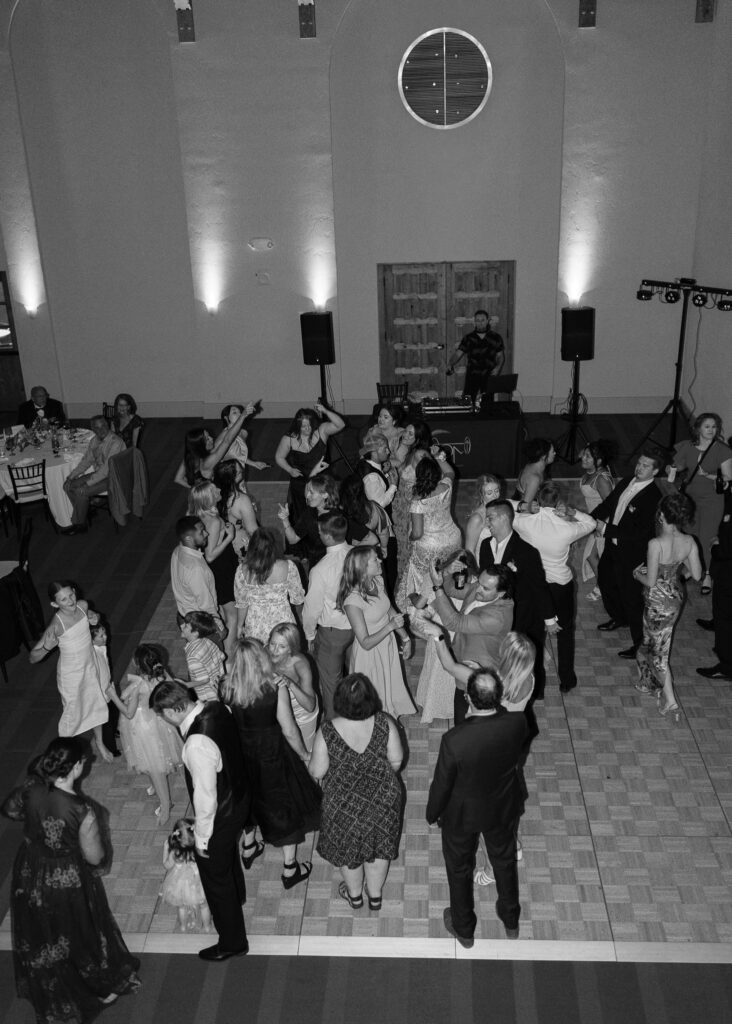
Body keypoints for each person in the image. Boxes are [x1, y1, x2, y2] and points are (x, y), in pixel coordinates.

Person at [2, 738, 141, 1020]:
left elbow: (9, 810)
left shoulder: (31, 786)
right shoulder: (83, 811)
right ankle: (88, 986)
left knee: (41, 928)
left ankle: (49, 980)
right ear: (76, 766)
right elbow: (94, 858)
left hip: (30, 867)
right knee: (76, 930)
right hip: (65, 879)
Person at [149, 678, 250, 961]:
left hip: (221, 812)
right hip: (239, 797)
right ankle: (237, 896)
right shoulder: (217, 709)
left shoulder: (196, 743)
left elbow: (206, 798)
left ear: (170, 712)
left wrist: (202, 838)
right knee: (228, 858)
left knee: (215, 877)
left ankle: (232, 942)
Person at [426, 668, 528, 946]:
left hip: (462, 814)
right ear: (498, 696)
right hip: (502, 805)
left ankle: (464, 928)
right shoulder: (519, 722)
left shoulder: (455, 740)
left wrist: (432, 814)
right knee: (504, 862)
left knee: (459, 868)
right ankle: (510, 919)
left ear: (468, 698)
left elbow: (442, 785)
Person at [220, 638, 320, 889]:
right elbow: (288, 729)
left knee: (248, 798)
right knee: (282, 804)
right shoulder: (274, 688)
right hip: (272, 752)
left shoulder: (227, 687)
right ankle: (289, 869)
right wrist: (304, 754)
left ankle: (249, 846)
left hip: (241, 753)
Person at [309, 673, 404, 911]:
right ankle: (375, 896)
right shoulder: (385, 722)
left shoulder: (327, 731)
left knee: (348, 851)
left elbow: (318, 772)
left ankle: (354, 896)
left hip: (342, 804)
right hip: (382, 801)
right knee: (379, 849)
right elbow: (397, 761)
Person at [513, 482, 596, 693]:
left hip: (534, 586)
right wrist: (571, 511)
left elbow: (505, 506)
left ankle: (538, 686)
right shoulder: (567, 528)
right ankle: (567, 679)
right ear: (558, 501)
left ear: (538, 500)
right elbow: (591, 523)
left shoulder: (525, 522)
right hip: (561, 586)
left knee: (535, 634)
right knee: (566, 632)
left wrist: (525, 507)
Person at [478, 499, 558, 700]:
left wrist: (549, 620)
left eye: (491, 517)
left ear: (505, 518)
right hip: (494, 614)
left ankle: (531, 693)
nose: (487, 522)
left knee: (527, 658)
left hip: (522, 615)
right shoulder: (486, 546)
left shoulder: (527, 552)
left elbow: (539, 587)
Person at [633, 492, 702, 719]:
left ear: (662, 515)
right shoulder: (689, 541)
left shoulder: (656, 544)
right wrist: (674, 575)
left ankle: (670, 699)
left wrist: (636, 574)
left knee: (658, 653)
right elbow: (696, 573)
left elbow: (650, 581)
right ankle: (646, 682)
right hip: (675, 599)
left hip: (656, 604)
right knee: (648, 643)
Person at [29, 580, 113, 763]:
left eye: (71, 595)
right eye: (63, 600)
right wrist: (46, 648)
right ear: (54, 604)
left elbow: (91, 614)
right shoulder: (56, 625)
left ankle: (99, 742)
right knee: (72, 713)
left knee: (96, 701)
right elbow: (33, 657)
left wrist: (94, 617)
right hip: (71, 673)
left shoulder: (82, 605)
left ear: (75, 592)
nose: (70, 601)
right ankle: (65, 754)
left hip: (90, 664)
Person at [592, 450, 664, 659]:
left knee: (632, 599)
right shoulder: (626, 481)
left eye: (646, 465)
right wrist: (588, 520)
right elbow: (608, 505)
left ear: (656, 471)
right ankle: (618, 616)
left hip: (632, 553)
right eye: (639, 463)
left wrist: (605, 529)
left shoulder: (653, 497)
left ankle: (640, 644)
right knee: (606, 582)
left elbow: (639, 533)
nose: (639, 468)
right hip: (612, 546)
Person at [104, 644, 183, 825]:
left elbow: (128, 713)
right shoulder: (161, 675)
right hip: (158, 722)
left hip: (143, 729)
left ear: (137, 664)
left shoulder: (138, 685)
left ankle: (166, 804)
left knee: (153, 764)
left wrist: (113, 695)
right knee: (154, 758)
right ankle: (156, 786)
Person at [428, 560, 515, 722]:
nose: (478, 589)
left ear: (501, 593)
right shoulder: (481, 587)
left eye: (485, 588)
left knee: (470, 722)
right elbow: (452, 590)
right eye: (479, 583)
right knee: (460, 712)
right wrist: (446, 574)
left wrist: (437, 588)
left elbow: (455, 623)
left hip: (481, 674)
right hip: (466, 661)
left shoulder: (497, 617)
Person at [337, 546, 416, 718]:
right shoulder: (353, 601)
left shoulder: (377, 581)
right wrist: (390, 628)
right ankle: (377, 727)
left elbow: (389, 610)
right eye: (375, 559)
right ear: (362, 567)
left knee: (389, 685)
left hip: (386, 645)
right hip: (370, 653)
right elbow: (364, 642)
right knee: (373, 693)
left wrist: (405, 638)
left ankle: (389, 719)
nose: (380, 560)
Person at [409, 548, 479, 724]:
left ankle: (446, 705)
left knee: (448, 667)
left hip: (455, 626)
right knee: (441, 666)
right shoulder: (436, 578)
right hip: (448, 626)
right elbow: (424, 604)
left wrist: (411, 595)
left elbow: (421, 604)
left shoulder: (471, 582)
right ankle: (440, 705)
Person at [301, 510, 354, 720]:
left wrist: (309, 636)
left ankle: (335, 725)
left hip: (333, 633)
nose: (319, 535)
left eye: (320, 532)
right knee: (358, 674)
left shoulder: (320, 569)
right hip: (360, 627)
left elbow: (312, 608)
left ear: (328, 536)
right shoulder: (358, 555)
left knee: (331, 684)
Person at [671, 413, 732, 594]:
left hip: (712, 499)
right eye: (707, 426)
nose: (711, 430)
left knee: (707, 536)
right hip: (690, 498)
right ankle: (692, 567)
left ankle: (707, 574)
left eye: (714, 427)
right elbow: (679, 465)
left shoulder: (722, 450)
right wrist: (672, 468)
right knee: (691, 533)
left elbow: (729, 477)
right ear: (698, 428)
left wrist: (711, 476)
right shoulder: (688, 446)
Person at [396, 454, 459, 612]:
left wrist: (409, 538)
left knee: (423, 578)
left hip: (429, 546)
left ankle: (424, 608)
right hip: (453, 539)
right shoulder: (446, 486)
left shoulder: (418, 501)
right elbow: (450, 471)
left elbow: (417, 533)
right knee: (447, 573)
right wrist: (438, 457)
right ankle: (448, 604)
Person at [187, 481, 239, 655]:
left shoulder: (195, 516)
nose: (218, 489)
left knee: (222, 612)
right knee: (232, 615)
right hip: (221, 568)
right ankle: (228, 655)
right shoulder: (214, 521)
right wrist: (229, 537)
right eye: (214, 490)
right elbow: (210, 555)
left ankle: (219, 649)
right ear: (209, 498)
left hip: (210, 570)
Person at [274, 401, 345, 523]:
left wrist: (326, 411)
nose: (308, 429)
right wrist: (290, 470)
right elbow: (279, 457)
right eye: (303, 426)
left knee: (327, 510)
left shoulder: (321, 430)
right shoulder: (289, 439)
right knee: (303, 514)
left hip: (322, 480)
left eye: (310, 425)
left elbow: (341, 425)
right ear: (297, 426)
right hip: (301, 481)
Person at [234, 526, 305, 642]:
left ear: (252, 547)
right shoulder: (288, 566)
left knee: (258, 657)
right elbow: (297, 599)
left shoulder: (242, 570)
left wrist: (239, 626)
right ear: (273, 546)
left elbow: (242, 603)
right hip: (283, 623)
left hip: (255, 625)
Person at [62, 414, 126, 531]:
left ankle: (80, 524)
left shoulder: (116, 442)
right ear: (93, 429)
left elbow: (106, 470)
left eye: (103, 426)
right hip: (100, 474)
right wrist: (71, 477)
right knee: (68, 486)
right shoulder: (94, 441)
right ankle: (85, 510)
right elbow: (86, 461)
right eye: (97, 428)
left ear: (108, 425)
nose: (101, 430)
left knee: (81, 491)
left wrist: (87, 484)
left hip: (113, 477)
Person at [355, 426, 398, 595]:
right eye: (384, 448)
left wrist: (385, 476)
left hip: (369, 522)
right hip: (378, 529)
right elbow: (378, 504)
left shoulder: (366, 465)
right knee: (388, 569)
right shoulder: (372, 476)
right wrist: (393, 485)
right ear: (373, 452)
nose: (388, 451)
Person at [697, 480, 732, 681]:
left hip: (729, 573)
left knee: (725, 615)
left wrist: (715, 547)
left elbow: (727, 550)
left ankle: (726, 665)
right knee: (723, 616)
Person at [390, 418, 433, 578]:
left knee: (409, 543)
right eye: (405, 431)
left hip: (409, 507)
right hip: (399, 505)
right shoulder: (408, 451)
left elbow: (431, 478)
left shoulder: (421, 454)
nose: (405, 435)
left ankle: (411, 579)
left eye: (410, 434)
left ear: (419, 438)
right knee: (401, 544)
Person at [268, 622, 319, 752]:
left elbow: (310, 706)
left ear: (291, 648)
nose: (274, 650)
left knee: (304, 752)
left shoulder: (300, 665)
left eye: (281, 646)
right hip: (279, 709)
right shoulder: (264, 654)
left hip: (302, 712)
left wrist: (290, 683)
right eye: (272, 644)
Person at [174, 404, 252, 488]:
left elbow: (178, 479)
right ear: (200, 445)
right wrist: (242, 416)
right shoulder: (208, 461)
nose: (211, 438)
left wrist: (195, 490)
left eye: (209, 435)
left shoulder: (189, 457)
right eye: (207, 439)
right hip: (210, 498)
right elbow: (227, 441)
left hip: (200, 497)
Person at [278, 471, 340, 568]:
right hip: (315, 564)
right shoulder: (310, 512)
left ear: (325, 495)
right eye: (308, 492)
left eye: (311, 492)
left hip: (334, 565)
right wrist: (285, 520)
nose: (307, 496)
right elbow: (293, 539)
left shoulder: (338, 517)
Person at [579, 440, 616, 599]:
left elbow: (611, 506)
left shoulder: (601, 479)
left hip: (602, 523)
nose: (583, 458)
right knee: (595, 556)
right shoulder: (592, 472)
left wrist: (600, 527)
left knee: (591, 556)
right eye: (584, 455)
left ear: (599, 461)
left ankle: (603, 587)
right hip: (595, 520)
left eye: (588, 456)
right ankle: (604, 585)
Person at [161, 817, 212, 933]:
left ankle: (183, 927)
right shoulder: (199, 850)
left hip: (180, 886)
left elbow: (167, 866)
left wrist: (165, 850)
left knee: (181, 906)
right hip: (199, 882)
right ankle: (207, 927)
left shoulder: (175, 852)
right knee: (204, 905)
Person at [170, 516, 222, 626]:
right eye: (201, 532)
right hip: (201, 623)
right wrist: (218, 624)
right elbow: (205, 604)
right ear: (188, 538)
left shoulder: (177, 551)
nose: (206, 533)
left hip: (185, 616)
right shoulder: (195, 569)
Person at [446, 310, 505, 404]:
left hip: (489, 374)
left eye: (483, 320)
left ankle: (486, 417)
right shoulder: (468, 338)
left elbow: (500, 356)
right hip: (472, 373)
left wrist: (498, 368)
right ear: (475, 322)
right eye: (478, 320)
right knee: (467, 402)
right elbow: (458, 354)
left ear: (487, 321)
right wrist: (450, 363)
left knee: (488, 403)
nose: (480, 323)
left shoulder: (496, 337)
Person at [213, 459, 259, 555]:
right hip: (239, 542)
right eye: (239, 471)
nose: (242, 469)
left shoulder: (214, 492)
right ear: (232, 478)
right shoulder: (241, 500)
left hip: (220, 539)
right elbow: (253, 531)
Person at [178, 610, 226, 701]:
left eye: (186, 626)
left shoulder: (192, 656)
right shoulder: (207, 641)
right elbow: (222, 656)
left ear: (195, 633)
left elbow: (204, 680)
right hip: (219, 689)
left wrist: (185, 685)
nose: (182, 626)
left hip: (207, 696)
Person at [215, 403, 269, 478]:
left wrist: (254, 464)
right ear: (226, 418)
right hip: (225, 472)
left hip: (239, 470)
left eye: (240, 412)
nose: (239, 414)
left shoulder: (243, 433)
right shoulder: (225, 434)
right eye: (234, 412)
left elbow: (238, 454)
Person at [465, 474, 504, 561]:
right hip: (484, 564)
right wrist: (475, 572)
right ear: (481, 495)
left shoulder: (501, 508)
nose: (495, 496)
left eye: (496, 491)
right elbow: (469, 550)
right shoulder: (477, 518)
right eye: (489, 493)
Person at [514, 438, 556, 510]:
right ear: (543, 456)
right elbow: (525, 509)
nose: (555, 453)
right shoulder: (534, 478)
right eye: (553, 451)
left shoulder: (532, 465)